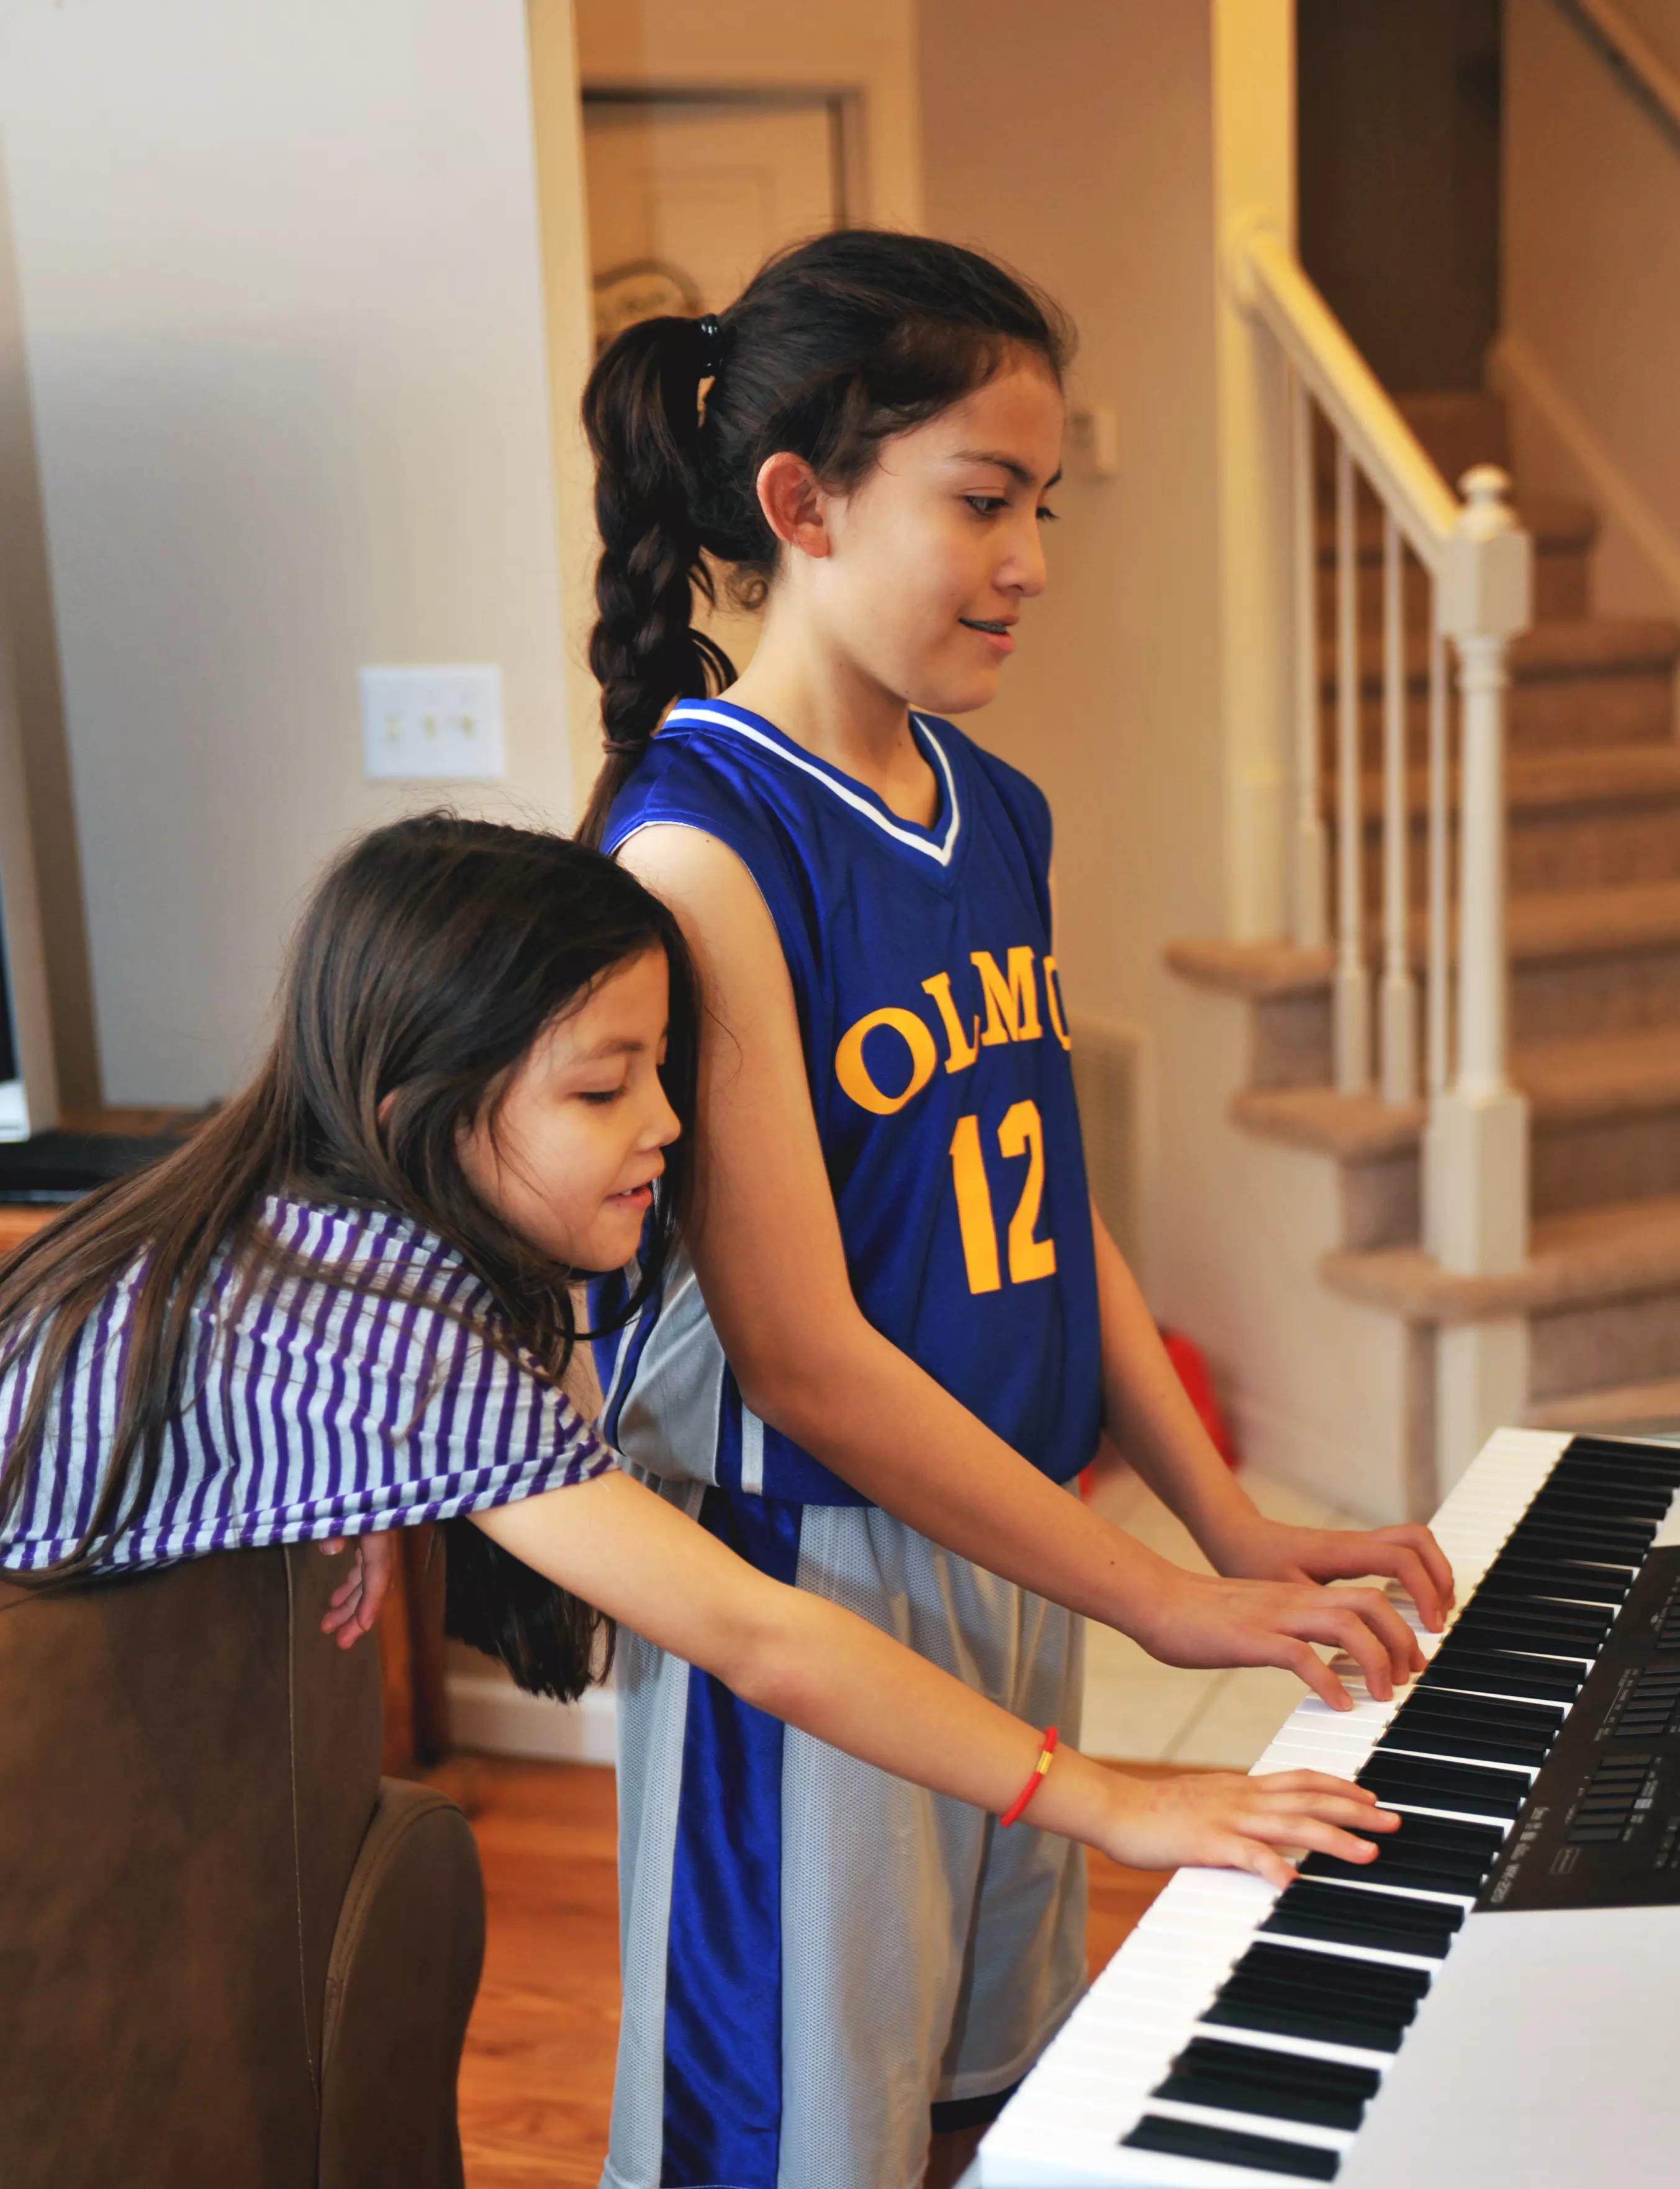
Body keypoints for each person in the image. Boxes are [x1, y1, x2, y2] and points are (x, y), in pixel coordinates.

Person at [0, 815, 1393, 2121]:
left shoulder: (311, 1217)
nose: (665, 1121)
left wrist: (350, 1488)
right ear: (413, 1102)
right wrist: (1121, 1800)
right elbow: (757, 1631)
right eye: (605, 1086)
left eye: (657, 1070)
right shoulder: (384, 1345)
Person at [579, 231, 1455, 2189]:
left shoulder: (998, 808)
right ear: (798, 502)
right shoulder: (705, 844)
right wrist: (1159, 1594)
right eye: (981, 499)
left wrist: (1222, 1520)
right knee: (797, 2129)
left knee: (989, 2101)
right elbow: (800, 1355)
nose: (1032, 555)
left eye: (1038, 502)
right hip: (811, 1582)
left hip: (1006, 1548)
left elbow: (1053, 1205)